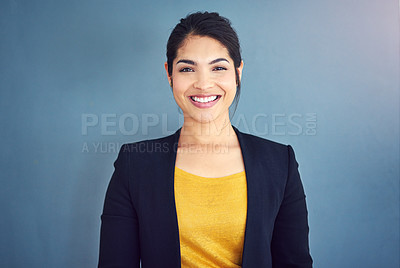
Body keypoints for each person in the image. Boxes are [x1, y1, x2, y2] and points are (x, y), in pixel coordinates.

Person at [98, 11, 313, 268]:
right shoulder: (134, 165)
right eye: (187, 69)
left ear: (238, 72)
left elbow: (294, 263)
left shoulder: (280, 163)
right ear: (169, 74)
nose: (203, 83)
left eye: (218, 68)